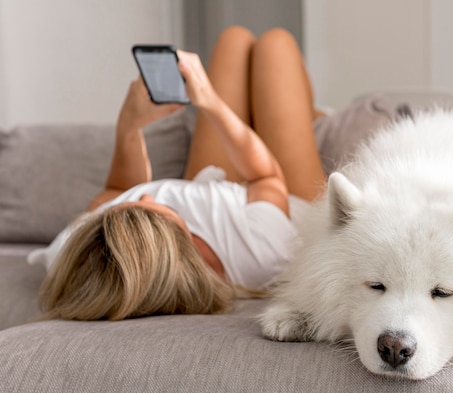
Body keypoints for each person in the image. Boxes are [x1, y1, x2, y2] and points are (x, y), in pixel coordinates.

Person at [35, 26, 327, 321]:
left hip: (206, 184)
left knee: (233, 40)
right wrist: (211, 103)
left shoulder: (84, 253)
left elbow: (117, 189)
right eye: (157, 209)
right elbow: (264, 177)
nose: (147, 192)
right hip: (283, 200)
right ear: (187, 246)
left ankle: (295, 111)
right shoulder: (261, 254)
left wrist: (130, 126)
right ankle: (309, 114)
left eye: (129, 206)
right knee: (275, 46)